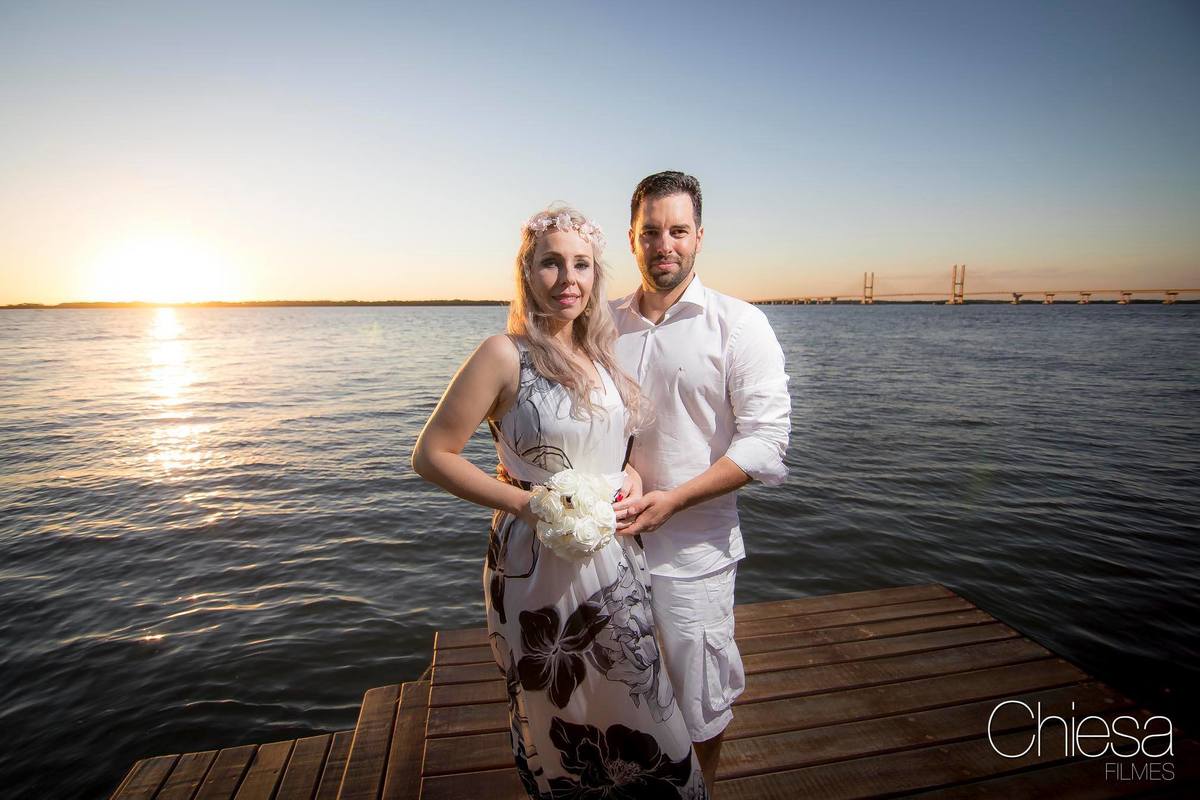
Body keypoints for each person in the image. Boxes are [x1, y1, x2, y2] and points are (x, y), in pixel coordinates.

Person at [412, 205, 707, 799]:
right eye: (551, 263)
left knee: (639, 705)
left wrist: (628, 475)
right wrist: (529, 506)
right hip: (539, 560)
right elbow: (432, 455)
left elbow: (604, 446)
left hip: (616, 559)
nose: (568, 279)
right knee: (563, 712)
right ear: (527, 272)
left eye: (582, 264)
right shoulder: (503, 354)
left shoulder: (601, 355)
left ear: (596, 274)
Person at [612, 171, 792, 790]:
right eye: (651, 232)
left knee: (699, 705)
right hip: (608, 554)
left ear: (699, 236)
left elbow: (766, 442)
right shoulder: (602, 324)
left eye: (678, 231)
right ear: (631, 238)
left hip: (694, 559)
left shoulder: (739, 325)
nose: (664, 244)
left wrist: (676, 499)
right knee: (621, 700)